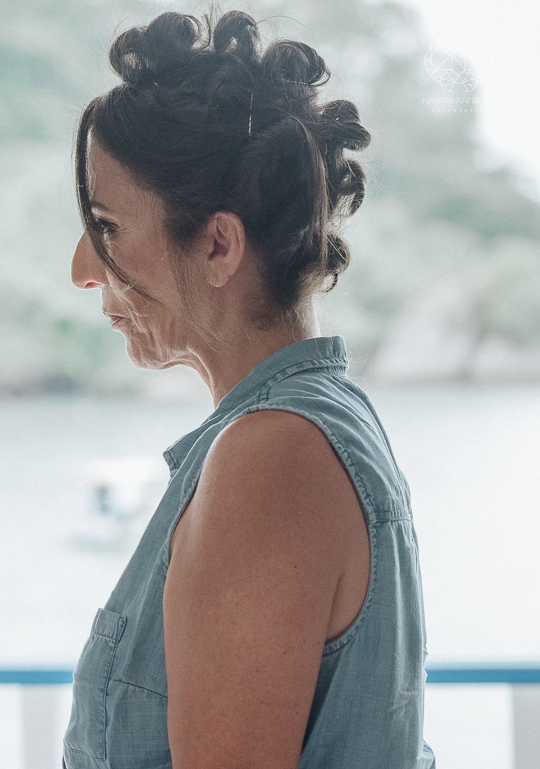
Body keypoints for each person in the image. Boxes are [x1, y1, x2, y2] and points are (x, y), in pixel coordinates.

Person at [63, 11, 433, 768]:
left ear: (218, 244)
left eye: (105, 225)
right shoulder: (318, 421)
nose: (81, 266)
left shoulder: (269, 457)